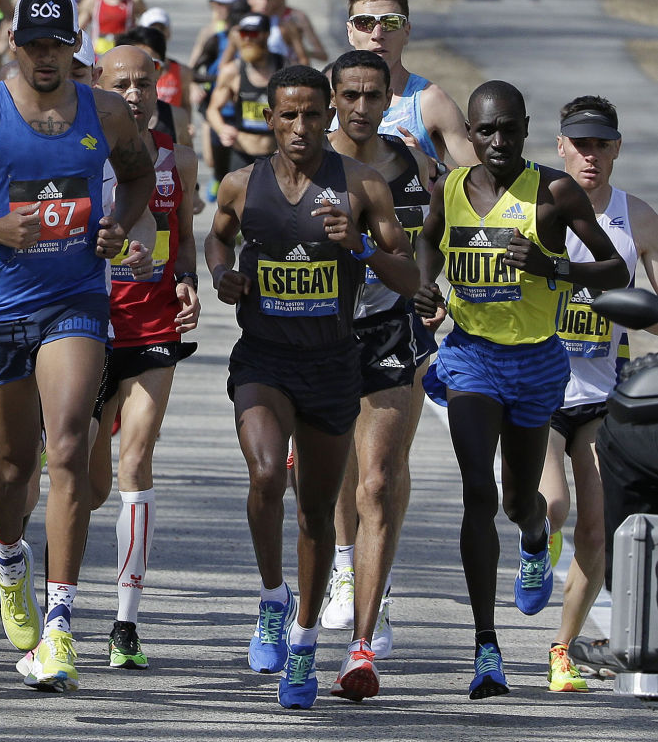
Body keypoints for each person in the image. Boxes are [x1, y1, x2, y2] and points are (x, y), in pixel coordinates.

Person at [0, 0, 157, 694]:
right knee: (11, 463)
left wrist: (117, 224)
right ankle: (10, 557)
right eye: (34, 44)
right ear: (15, 45)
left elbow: (136, 174)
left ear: (74, 47)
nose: (45, 57)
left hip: (72, 299)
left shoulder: (103, 110)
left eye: (58, 45)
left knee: (68, 442)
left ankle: (60, 621)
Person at [205, 64, 418, 708]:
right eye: (287, 115)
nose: (301, 127)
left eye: (312, 115)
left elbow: (408, 277)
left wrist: (357, 248)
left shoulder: (362, 185)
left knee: (317, 510)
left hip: (332, 365)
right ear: (268, 119)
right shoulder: (241, 185)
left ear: (329, 116)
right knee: (269, 473)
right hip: (264, 359)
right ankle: (273, 599)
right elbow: (217, 244)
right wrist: (223, 278)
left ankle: (302, 642)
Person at [414, 81, 626, 698]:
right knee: (476, 489)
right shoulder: (452, 188)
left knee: (517, 502)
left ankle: (535, 537)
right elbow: (429, 239)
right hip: (472, 357)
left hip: (536, 364)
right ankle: (487, 648)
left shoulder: (553, 192)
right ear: (471, 136)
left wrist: (551, 266)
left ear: (526, 129)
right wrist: (430, 289)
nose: (498, 142)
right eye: (485, 131)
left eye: (509, 129)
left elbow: (613, 266)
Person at [532, 97, 658, 690]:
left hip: (602, 395)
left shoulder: (638, 218)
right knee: (553, 507)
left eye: (602, 145)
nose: (591, 156)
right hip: (539, 387)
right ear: (560, 147)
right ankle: (535, 542)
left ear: (616, 150)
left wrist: (635, 309)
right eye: (580, 145)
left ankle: (562, 650)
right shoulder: (536, 208)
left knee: (598, 524)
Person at [319, 50, 432, 699]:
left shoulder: (412, 164)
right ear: (333, 95)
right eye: (350, 94)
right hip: (317, 334)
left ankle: (362, 636)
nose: (361, 107)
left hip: (392, 330)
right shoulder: (309, 161)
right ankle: (341, 561)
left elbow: (436, 234)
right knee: (331, 473)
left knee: (378, 476)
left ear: (391, 96)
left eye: (373, 94)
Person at [87, 45, 201, 672]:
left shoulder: (177, 159)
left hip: (151, 324)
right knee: (90, 481)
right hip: (82, 325)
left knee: (136, 461)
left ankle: (125, 622)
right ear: (98, 86)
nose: (133, 93)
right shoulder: (76, 154)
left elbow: (182, 239)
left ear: (159, 89)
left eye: (143, 83)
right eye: (120, 83)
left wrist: (184, 281)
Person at [343, 0, 477, 169]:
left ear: (407, 31)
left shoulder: (429, 101)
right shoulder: (326, 98)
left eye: (391, 22)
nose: (377, 33)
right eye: (365, 22)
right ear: (350, 32)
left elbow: (484, 181)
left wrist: (431, 167)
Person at [207, 12, 282, 178]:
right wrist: (222, 128)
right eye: (243, 33)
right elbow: (213, 109)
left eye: (253, 33)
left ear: (266, 34)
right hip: (242, 154)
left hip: (276, 155)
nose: (247, 39)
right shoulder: (232, 72)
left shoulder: (284, 67)